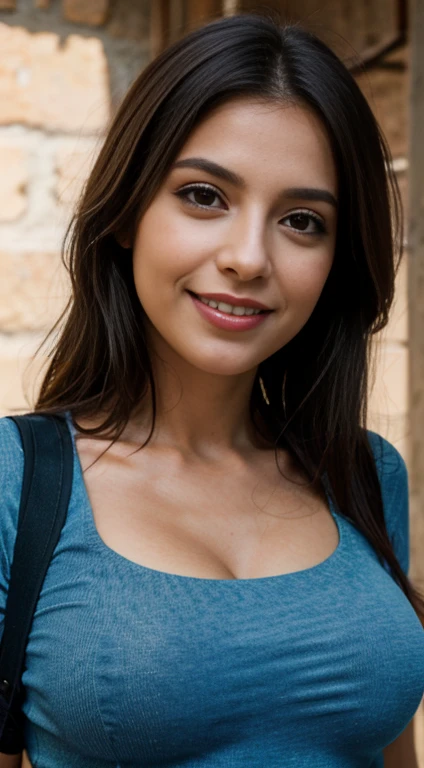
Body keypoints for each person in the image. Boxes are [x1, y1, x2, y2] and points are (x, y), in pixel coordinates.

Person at [0, 12, 423, 768]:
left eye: (301, 220)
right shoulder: (15, 483)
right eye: (203, 195)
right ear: (129, 212)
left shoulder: (363, 472)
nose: (247, 257)